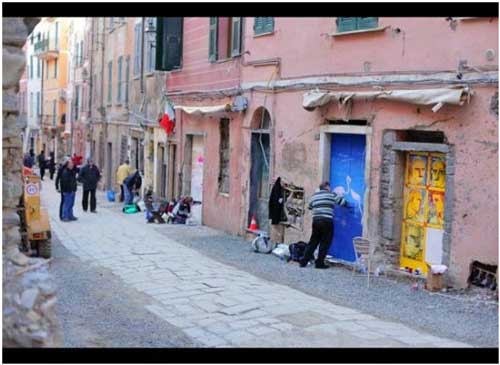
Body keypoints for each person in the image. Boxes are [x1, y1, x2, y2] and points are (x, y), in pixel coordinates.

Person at [299, 181, 347, 269]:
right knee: (325, 242)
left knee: (313, 242)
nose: (331, 188)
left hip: (316, 221)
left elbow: (309, 206)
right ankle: (319, 263)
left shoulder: (314, 196)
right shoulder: (331, 194)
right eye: (329, 186)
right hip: (326, 221)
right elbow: (343, 203)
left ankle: (303, 261)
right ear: (327, 187)